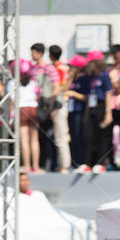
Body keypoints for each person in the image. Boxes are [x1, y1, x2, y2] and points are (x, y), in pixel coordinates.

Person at [78, 51, 112, 174]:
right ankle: (86, 163)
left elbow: (108, 93)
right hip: (90, 107)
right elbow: (88, 95)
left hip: (102, 106)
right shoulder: (89, 76)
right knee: (87, 135)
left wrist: (109, 113)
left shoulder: (104, 75)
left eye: (90, 62)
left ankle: (101, 163)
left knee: (101, 136)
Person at [30, 42, 59, 171]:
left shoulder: (49, 68)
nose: (32, 55)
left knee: (49, 137)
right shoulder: (33, 69)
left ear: (40, 53)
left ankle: (50, 165)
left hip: (47, 107)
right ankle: (40, 164)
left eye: (34, 52)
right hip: (36, 107)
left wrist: (52, 107)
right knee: (39, 137)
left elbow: (56, 87)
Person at [8, 65, 42, 174]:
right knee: (34, 140)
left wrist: (10, 117)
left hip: (21, 109)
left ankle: (27, 165)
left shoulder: (13, 83)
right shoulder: (33, 82)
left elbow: (12, 101)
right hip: (33, 109)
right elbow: (38, 95)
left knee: (24, 139)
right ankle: (35, 166)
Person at [48, 45, 71, 173]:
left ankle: (64, 165)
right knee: (61, 135)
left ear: (50, 55)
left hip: (59, 104)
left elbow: (58, 89)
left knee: (60, 136)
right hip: (63, 102)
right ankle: (62, 164)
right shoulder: (65, 67)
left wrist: (52, 107)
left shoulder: (57, 69)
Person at [65, 55, 88, 171]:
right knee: (72, 136)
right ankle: (73, 162)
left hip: (80, 110)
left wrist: (73, 94)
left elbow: (86, 97)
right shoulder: (73, 78)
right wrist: (70, 78)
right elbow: (65, 90)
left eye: (72, 66)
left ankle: (80, 162)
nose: (70, 67)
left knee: (79, 136)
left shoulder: (84, 78)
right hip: (71, 110)